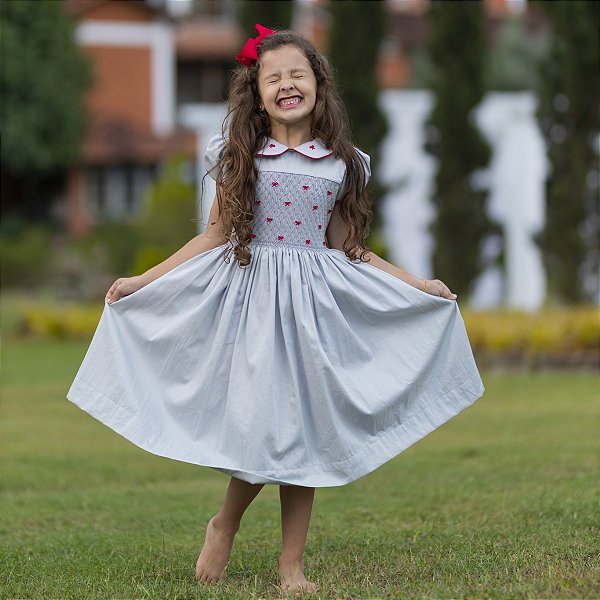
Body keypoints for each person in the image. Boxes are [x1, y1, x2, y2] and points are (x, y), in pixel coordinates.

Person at [66, 25, 485, 594]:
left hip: (313, 307)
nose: (288, 85)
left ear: (319, 85)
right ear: (256, 93)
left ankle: (292, 566)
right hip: (253, 304)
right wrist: (143, 279)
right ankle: (226, 522)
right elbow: (214, 234)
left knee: (305, 430)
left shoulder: (341, 162)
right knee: (265, 426)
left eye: (298, 74)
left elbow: (348, 247)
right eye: (274, 78)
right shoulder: (243, 155)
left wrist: (416, 284)